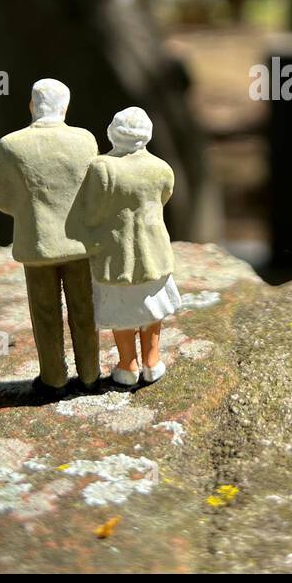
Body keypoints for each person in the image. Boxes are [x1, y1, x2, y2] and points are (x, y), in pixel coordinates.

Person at [0, 79, 100, 395]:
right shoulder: (85, 140)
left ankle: (54, 378)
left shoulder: (11, 145)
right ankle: (91, 374)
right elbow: (96, 189)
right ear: (65, 106)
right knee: (84, 308)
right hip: (79, 242)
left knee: (45, 313)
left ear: (31, 106)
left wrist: (28, 210)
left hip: (37, 242)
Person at [73, 106, 180, 386]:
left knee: (121, 311)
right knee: (152, 307)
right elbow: (163, 200)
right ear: (147, 135)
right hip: (154, 252)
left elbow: (92, 213)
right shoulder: (162, 169)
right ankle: (152, 361)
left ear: (112, 133)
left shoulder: (101, 168)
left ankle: (128, 365)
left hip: (115, 254)